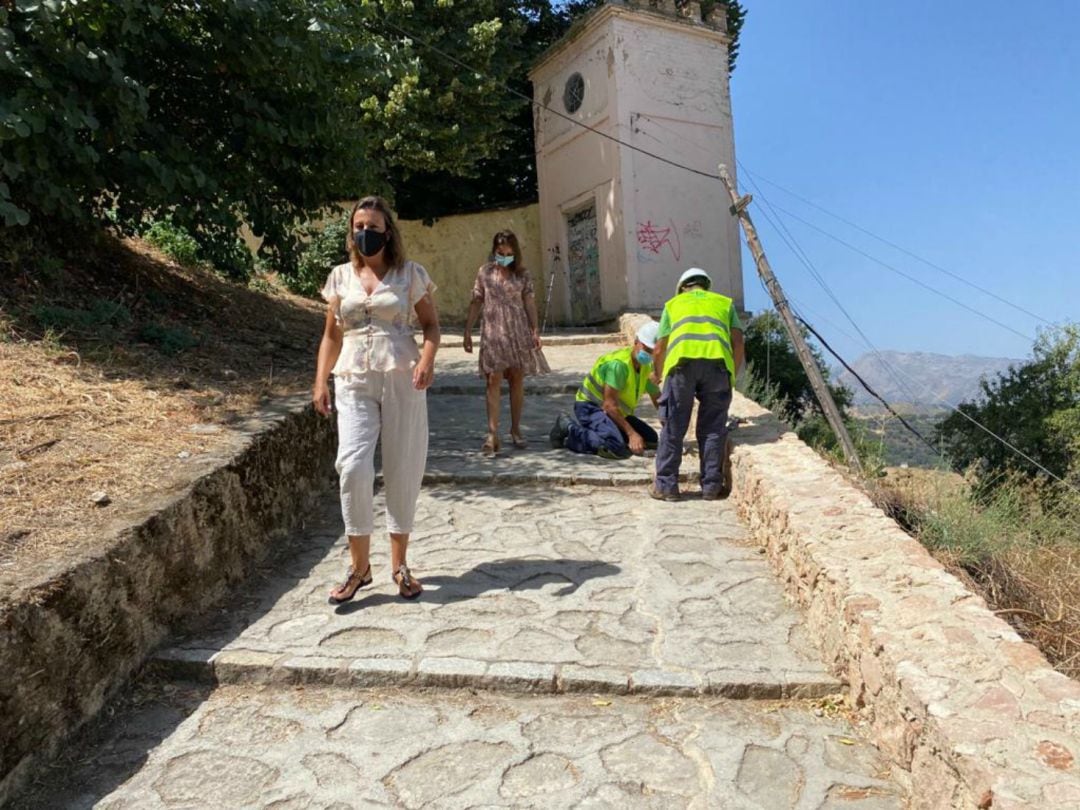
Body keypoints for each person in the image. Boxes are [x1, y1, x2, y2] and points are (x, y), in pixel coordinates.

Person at [312, 195, 440, 603]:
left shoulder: (409, 275)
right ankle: (359, 567)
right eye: (358, 226)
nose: (364, 233)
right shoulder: (339, 277)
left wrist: (427, 359)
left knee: (403, 464)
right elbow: (332, 334)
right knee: (351, 465)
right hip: (352, 376)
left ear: (388, 233)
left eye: (372, 226)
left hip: (402, 374)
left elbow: (433, 326)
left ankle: (400, 565)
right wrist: (320, 382)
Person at [650, 267, 744, 501]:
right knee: (713, 428)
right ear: (705, 285)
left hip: (681, 368)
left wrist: (658, 374)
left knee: (673, 426)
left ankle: (666, 486)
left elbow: (660, 347)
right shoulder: (724, 303)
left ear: (683, 287)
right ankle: (711, 487)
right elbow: (738, 342)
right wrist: (731, 375)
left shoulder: (673, 305)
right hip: (717, 367)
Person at [463, 230, 550, 456]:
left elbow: (529, 302)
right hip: (492, 331)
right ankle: (492, 434)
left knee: (516, 380)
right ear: (494, 251)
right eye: (500, 252)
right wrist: (467, 331)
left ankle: (515, 428)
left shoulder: (522, 275)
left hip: (517, 331)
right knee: (493, 380)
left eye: (508, 253)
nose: (504, 256)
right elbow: (476, 301)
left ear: (515, 252)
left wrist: (535, 330)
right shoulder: (485, 272)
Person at [549, 321, 661, 459]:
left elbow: (656, 395)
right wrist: (631, 434)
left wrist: (667, 421)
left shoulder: (645, 366)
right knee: (614, 447)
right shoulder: (618, 366)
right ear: (636, 341)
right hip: (590, 407)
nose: (648, 354)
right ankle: (569, 428)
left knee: (650, 439)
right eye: (646, 349)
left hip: (614, 411)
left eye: (652, 351)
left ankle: (608, 431)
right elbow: (609, 405)